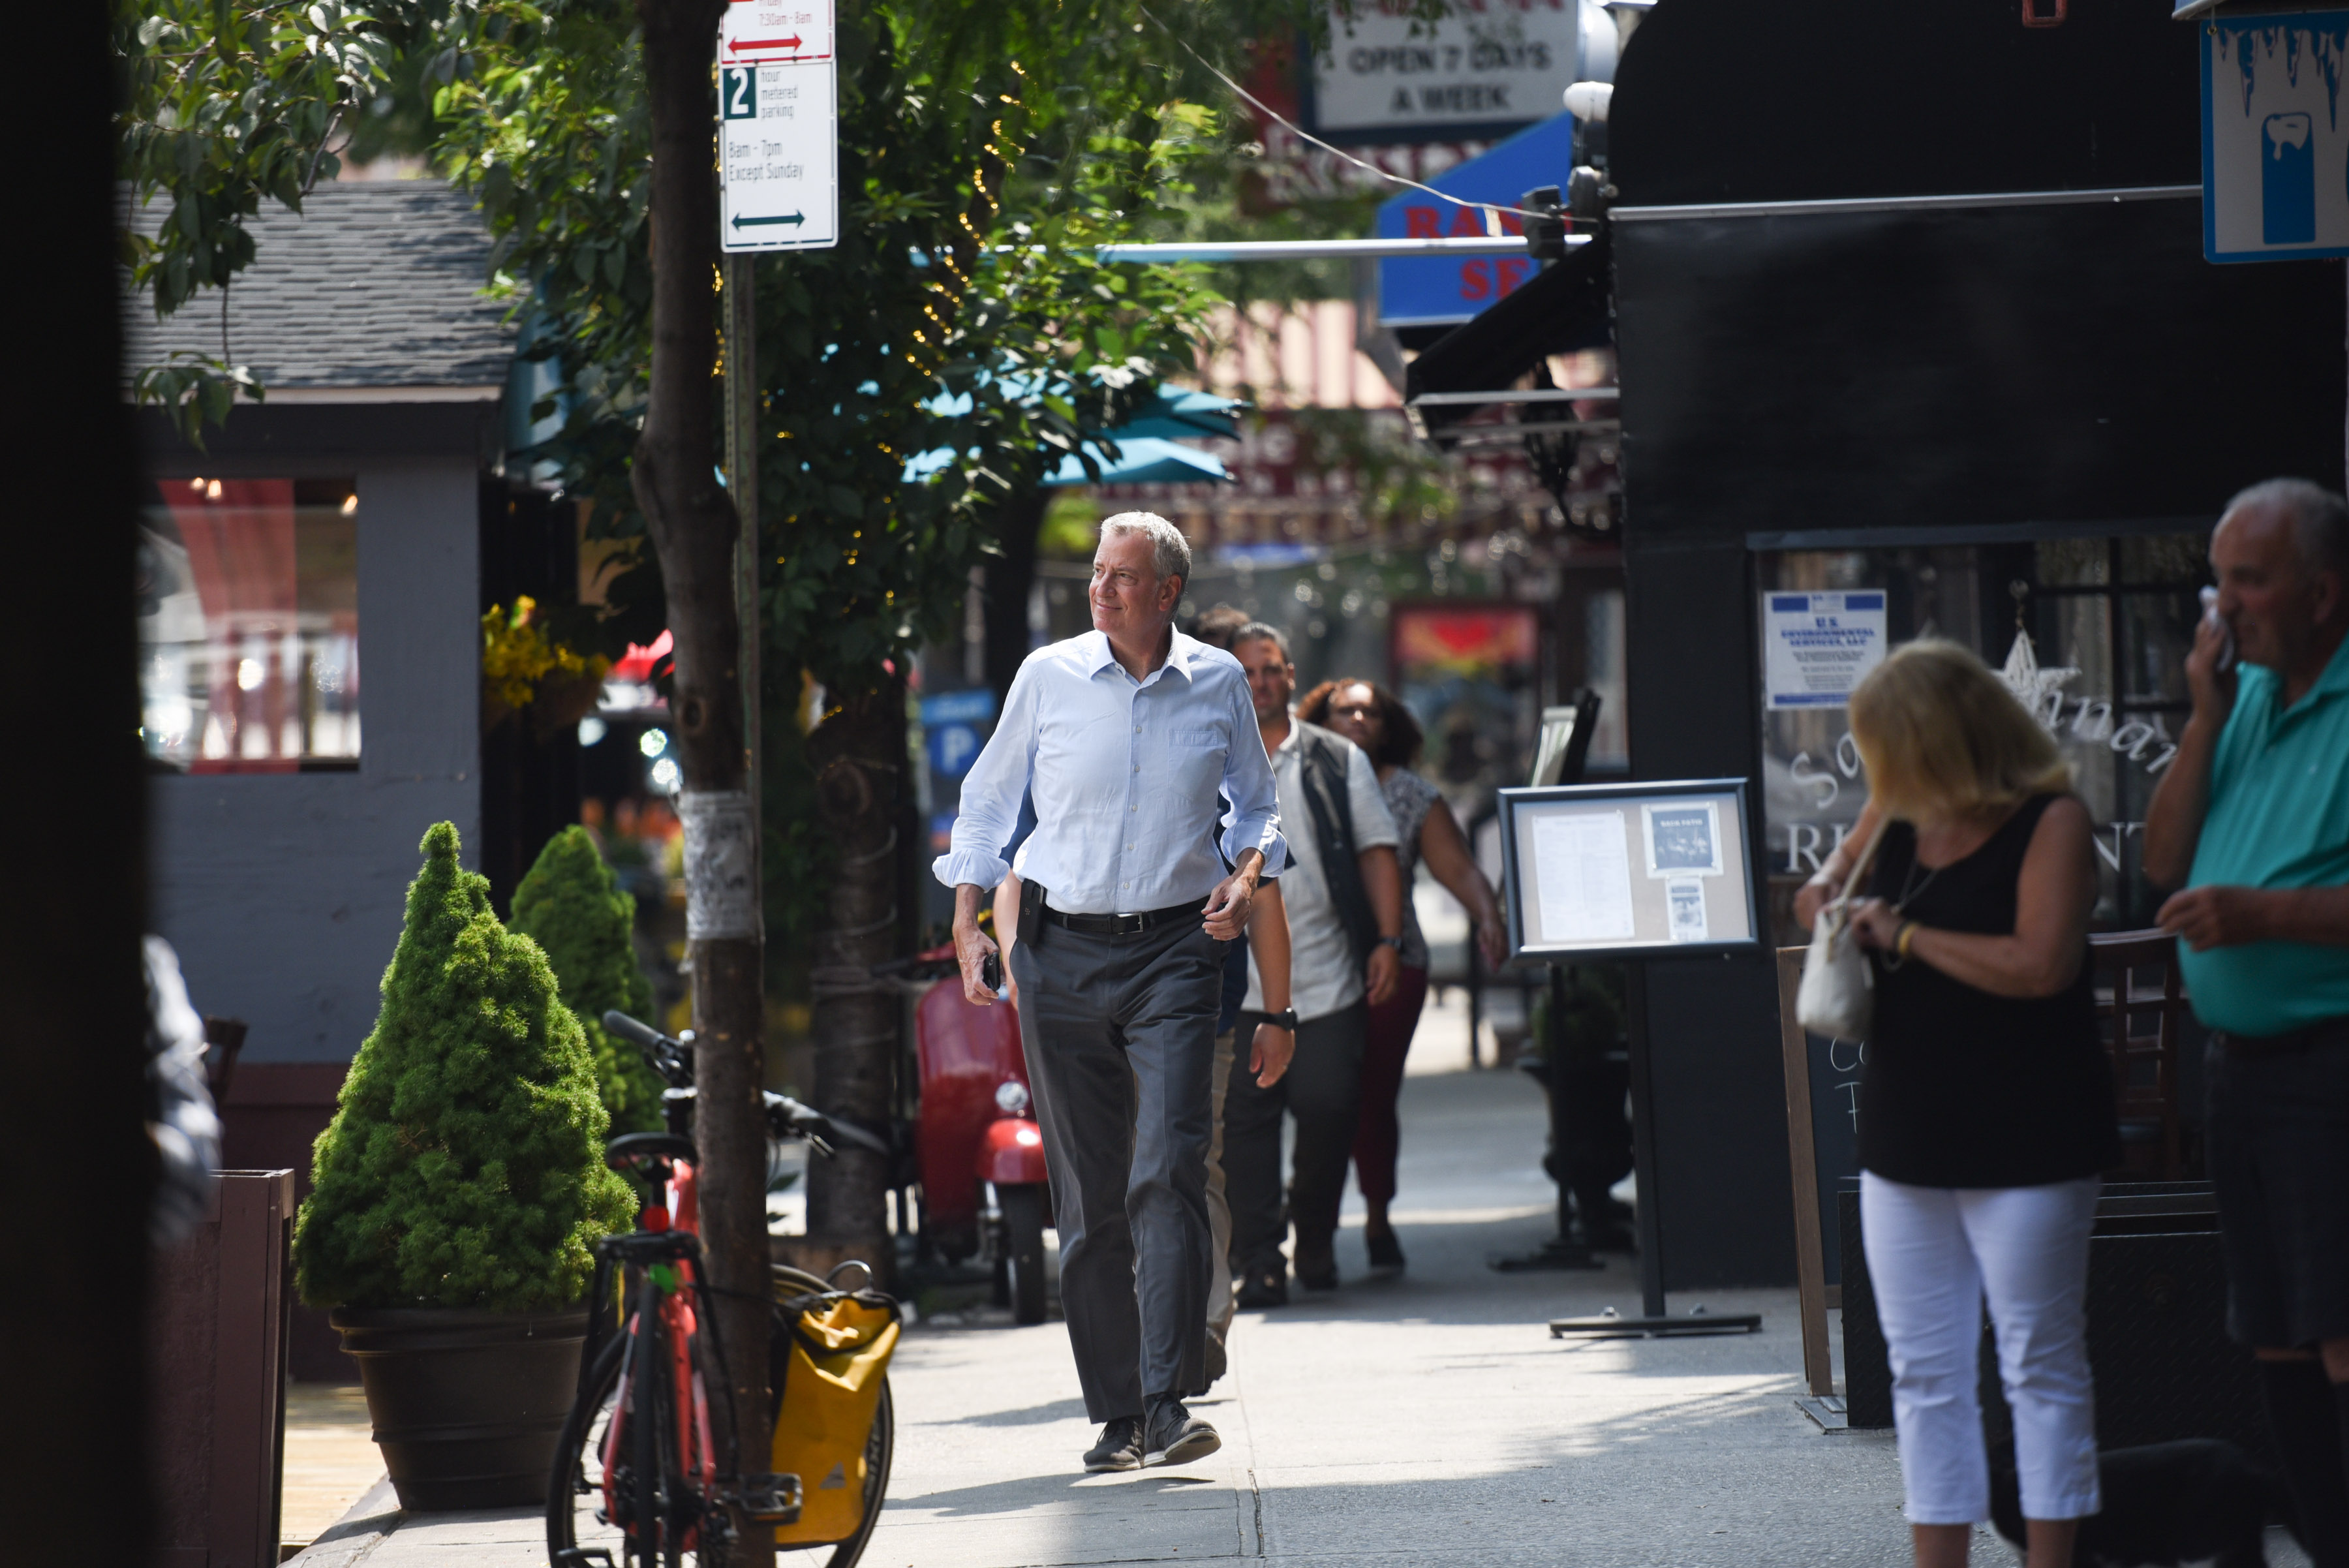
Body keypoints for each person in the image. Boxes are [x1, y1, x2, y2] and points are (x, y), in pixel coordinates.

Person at [938, 514, 1285, 1475]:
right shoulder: (1047, 675)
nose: (1100, 589)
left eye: (1122, 576)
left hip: (1178, 948)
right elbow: (987, 804)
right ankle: (1117, 1412)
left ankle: (1169, 1402)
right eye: (1097, 572)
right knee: (1089, 1195)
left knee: (1167, 1169)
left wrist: (1247, 873)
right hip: (1059, 953)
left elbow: (1257, 807)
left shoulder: (1218, 680)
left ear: (1167, 591)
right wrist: (969, 922)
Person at [1795, 639, 2118, 1568]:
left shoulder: (2051, 821)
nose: (1881, 768)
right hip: (1908, 1130)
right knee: (1924, 1373)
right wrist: (1825, 898)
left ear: (1940, 740)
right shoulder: (1899, 807)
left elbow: (2041, 964)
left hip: (2032, 1134)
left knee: (2039, 1364)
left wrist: (1905, 935)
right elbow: (1823, 887)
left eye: (1890, 745)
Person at [2143, 477, 2349, 1568]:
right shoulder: (2247, 694)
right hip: (2242, 1069)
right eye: (2216, 580)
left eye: (2249, 580)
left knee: (2340, 1332)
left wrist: (2264, 914)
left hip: (2332, 1058)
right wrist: (2204, 715)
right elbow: (2162, 859)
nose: (2223, 606)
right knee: (2275, 1339)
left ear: (2322, 591)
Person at [1297, 676, 1507, 1272]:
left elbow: (1457, 869)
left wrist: (1488, 916)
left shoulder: (1411, 795)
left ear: (1389, 727)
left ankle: (1377, 1217)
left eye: (1371, 713)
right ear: (1320, 722)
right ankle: (1313, 1227)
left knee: (1373, 1095)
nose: (1358, 721)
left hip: (1395, 963)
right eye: (1345, 712)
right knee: (1322, 1100)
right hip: (1310, 961)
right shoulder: (1292, 782)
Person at [1223, 623, 1404, 1304]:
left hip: (1326, 976)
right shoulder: (1207, 755)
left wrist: (1387, 939)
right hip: (1235, 984)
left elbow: (1376, 849)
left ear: (1291, 676)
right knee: (1245, 1126)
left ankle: (1317, 1239)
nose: (1260, 682)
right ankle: (1260, 1259)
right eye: (1247, 672)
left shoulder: (1336, 759)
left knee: (1329, 1110)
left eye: (1271, 669)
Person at [1186, 606, 1298, 1378]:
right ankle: (1150, 1326)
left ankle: (1200, 1326)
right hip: (1100, 1001)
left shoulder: (1231, 775)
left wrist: (1279, 1014)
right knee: (1125, 1174)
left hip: (1208, 1007)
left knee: (1195, 1163)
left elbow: (1267, 896)